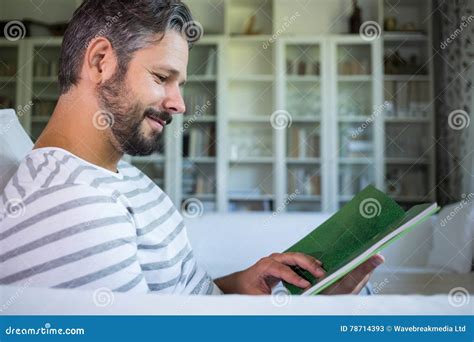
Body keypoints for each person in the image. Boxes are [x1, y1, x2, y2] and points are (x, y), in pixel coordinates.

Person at [0, 0, 383, 295]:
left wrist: (242, 285)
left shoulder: (119, 174)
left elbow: (172, 300)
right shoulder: (71, 206)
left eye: (180, 83)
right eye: (162, 77)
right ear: (100, 61)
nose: (178, 104)